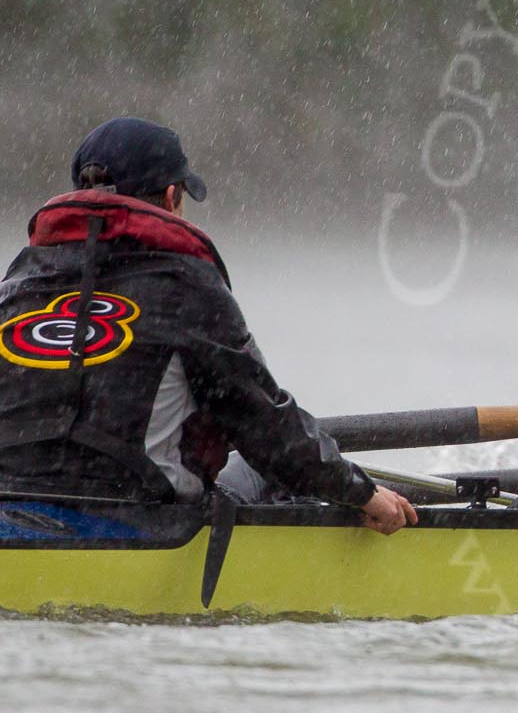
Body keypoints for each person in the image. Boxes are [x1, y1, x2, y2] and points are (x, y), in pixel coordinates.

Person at [0, 118, 414, 535]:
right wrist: (362, 493)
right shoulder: (185, 287)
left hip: (10, 516)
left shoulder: (16, 285)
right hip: (131, 524)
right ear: (171, 196)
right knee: (263, 472)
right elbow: (268, 427)